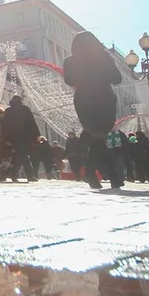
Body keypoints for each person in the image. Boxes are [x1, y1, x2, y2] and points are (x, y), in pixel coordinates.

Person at [62, 31, 123, 191]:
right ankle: (93, 174)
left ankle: (111, 177)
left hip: (84, 100)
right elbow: (117, 78)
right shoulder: (103, 58)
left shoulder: (70, 61)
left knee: (98, 138)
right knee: (99, 138)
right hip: (104, 99)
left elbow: (69, 80)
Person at [0, 95, 39, 182]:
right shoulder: (25, 109)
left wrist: (5, 138)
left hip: (12, 138)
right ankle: (13, 174)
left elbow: (4, 126)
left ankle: (29, 175)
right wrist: (36, 135)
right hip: (24, 137)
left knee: (22, 156)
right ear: (21, 101)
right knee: (22, 156)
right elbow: (32, 123)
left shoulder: (8, 111)